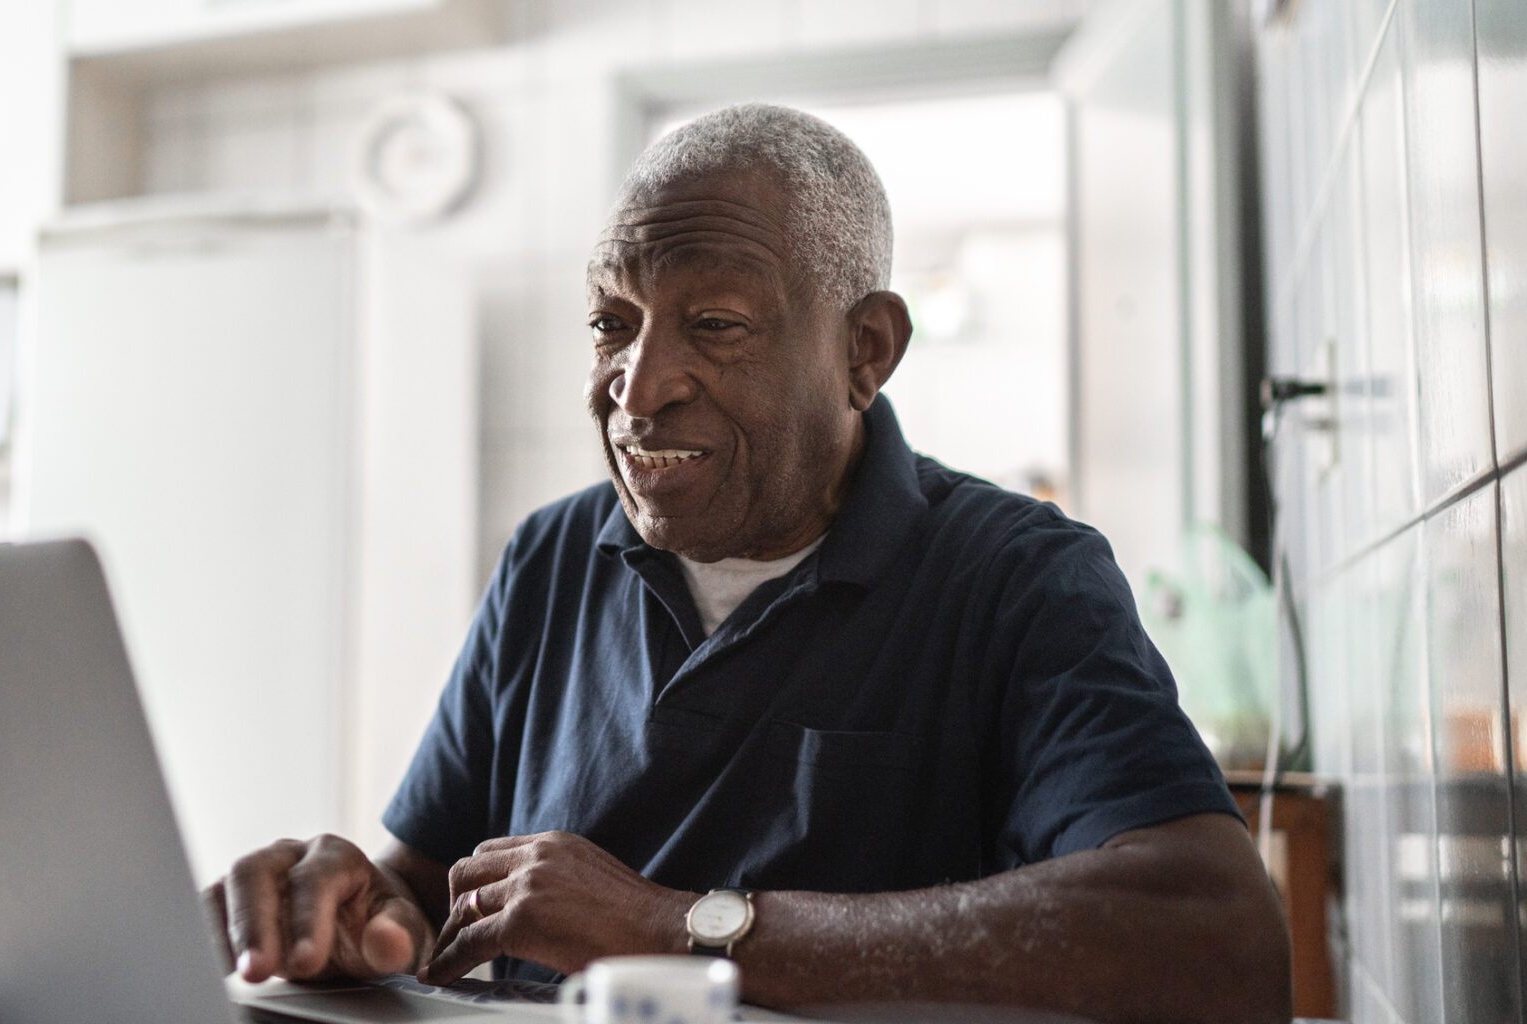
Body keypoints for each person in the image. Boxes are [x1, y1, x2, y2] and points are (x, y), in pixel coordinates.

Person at [204, 104, 1290, 1024]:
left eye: (714, 323)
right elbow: (426, 892)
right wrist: (346, 915)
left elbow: (1214, 935)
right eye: (610, 322)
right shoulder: (549, 558)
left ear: (865, 351)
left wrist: (679, 926)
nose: (637, 386)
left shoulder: (1016, 577)